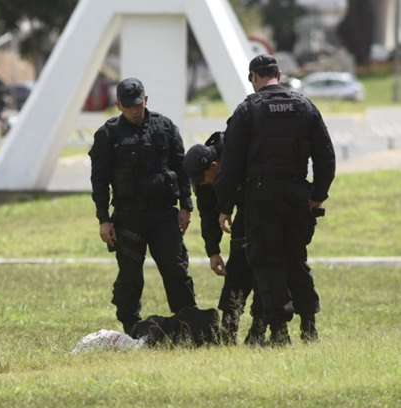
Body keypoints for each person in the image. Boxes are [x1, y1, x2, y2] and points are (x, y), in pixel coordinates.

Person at [214, 55, 336, 345]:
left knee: (268, 264)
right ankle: (309, 326)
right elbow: (326, 157)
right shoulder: (305, 106)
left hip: (261, 198)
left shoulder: (248, 110)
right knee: (296, 260)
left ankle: (279, 332)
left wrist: (224, 207)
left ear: (253, 77)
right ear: (278, 74)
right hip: (297, 196)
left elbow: (230, 166)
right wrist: (317, 196)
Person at [89, 77, 197, 334]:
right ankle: (130, 327)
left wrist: (186, 206)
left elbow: (182, 169)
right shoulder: (107, 134)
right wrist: (104, 219)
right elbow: (99, 180)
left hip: (163, 215)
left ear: (146, 100)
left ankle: (188, 323)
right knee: (130, 276)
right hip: (128, 216)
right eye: (129, 106)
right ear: (119, 105)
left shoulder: (165, 127)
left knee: (176, 269)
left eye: (138, 104)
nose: (135, 110)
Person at [183, 132, 266, 345]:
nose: (202, 185)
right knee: (237, 271)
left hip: (263, 210)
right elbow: (208, 214)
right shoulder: (205, 180)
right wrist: (213, 252)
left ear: (213, 166)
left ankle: (259, 331)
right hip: (243, 216)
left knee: (265, 274)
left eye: (202, 179)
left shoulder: (237, 151)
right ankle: (228, 332)